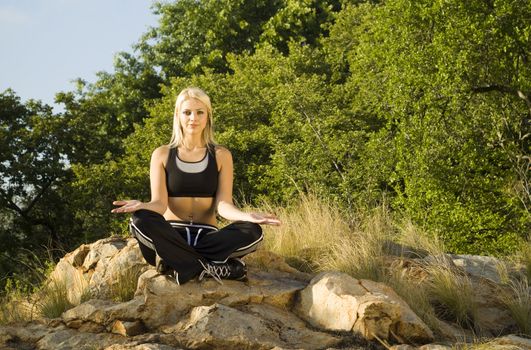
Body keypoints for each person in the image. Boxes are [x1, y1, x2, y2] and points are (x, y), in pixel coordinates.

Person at [111, 87, 281, 285]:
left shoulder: (221, 155)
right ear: (178, 115)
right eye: (187, 112)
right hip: (172, 237)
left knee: (253, 231)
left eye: (200, 112)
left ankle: (182, 265)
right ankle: (213, 267)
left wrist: (247, 216)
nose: (194, 118)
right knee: (139, 220)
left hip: (208, 239)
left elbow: (223, 205)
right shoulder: (162, 154)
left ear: (208, 116)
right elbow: (159, 204)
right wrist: (142, 205)